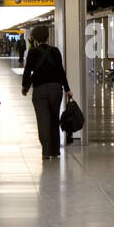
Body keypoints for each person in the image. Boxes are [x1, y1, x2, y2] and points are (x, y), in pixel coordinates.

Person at [21, 24, 72, 159]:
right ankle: (55, 151)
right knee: (54, 119)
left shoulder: (33, 52)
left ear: (35, 38)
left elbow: (28, 71)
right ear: (48, 36)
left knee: (43, 120)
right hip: (56, 89)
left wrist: (24, 87)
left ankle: (46, 151)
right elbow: (61, 71)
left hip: (40, 91)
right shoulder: (55, 51)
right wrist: (67, 89)